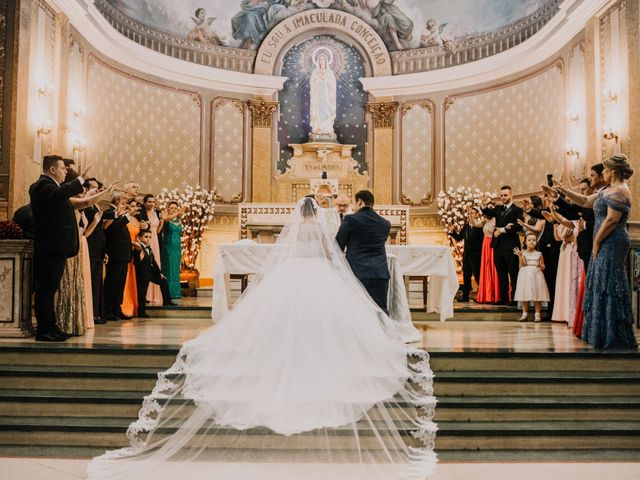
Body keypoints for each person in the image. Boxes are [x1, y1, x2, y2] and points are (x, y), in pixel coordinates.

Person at [87, 197, 436, 479]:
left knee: (281, 320)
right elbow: (334, 255)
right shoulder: (325, 230)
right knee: (326, 320)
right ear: (319, 213)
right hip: (319, 277)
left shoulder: (297, 232)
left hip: (292, 276)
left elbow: (288, 254)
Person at [553, 154, 637, 350]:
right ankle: (602, 333)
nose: (603, 173)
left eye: (605, 170)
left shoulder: (621, 191)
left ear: (613, 171)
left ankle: (614, 335)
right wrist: (562, 190)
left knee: (609, 282)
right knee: (600, 282)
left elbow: (612, 220)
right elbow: (584, 200)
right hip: (602, 240)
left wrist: (597, 241)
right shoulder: (607, 190)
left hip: (612, 240)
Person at [29, 156, 107, 341]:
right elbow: (59, 195)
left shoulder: (53, 188)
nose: (65, 172)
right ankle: (44, 330)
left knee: (51, 288)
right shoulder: (42, 186)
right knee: (46, 289)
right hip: (50, 246)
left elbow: (65, 198)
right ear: (52, 170)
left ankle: (52, 326)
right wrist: (80, 180)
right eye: (63, 169)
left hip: (57, 246)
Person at [336, 190, 391, 314]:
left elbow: (338, 245)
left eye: (355, 203)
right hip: (380, 273)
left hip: (357, 272)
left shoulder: (350, 220)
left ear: (360, 201)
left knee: (357, 312)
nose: (354, 207)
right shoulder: (385, 223)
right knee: (380, 310)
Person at [480, 186, 523, 305]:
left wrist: (502, 230)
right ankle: (504, 299)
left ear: (511, 195)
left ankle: (515, 299)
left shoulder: (517, 210)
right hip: (498, 246)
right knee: (501, 273)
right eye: (502, 195)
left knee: (513, 273)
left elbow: (518, 226)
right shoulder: (498, 208)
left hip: (511, 246)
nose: (503, 197)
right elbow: (486, 211)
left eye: (505, 195)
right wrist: (483, 205)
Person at [103, 192, 133, 322]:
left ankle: (117, 308)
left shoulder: (119, 213)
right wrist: (125, 217)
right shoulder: (109, 212)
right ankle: (108, 310)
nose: (126, 203)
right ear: (117, 201)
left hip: (123, 255)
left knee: (120, 284)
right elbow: (110, 230)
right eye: (124, 201)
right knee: (112, 283)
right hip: (114, 254)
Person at [133, 229, 174, 318]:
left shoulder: (149, 248)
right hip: (142, 275)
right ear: (140, 238)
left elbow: (154, 262)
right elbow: (136, 263)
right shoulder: (138, 248)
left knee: (163, 280)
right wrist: (139, 257)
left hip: (150, 273)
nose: (148, 239)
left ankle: (167, 301)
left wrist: (159, 273)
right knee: (142, 294)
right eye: (146, 237)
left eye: (150, 237)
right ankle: (141, 312)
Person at [513, 233, 549, 322]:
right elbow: (523, 264)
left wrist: (540, 266)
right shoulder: (523, 253)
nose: (531, 242)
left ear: (536, 242)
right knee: (524, 294)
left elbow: (543, 266)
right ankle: (524, 314)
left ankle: (537, 314)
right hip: (525, 275)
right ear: (525, 242)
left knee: (538, 295)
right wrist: (520, 256)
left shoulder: (539, 254)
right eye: (529, 240)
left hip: (537, 274)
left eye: (534, 240)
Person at [450, 207, 484, 302]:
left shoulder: (480, 227)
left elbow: (482, 242)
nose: (470, 215)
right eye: (469, 213)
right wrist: (453, 232)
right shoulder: (466, 226)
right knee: (466, 276)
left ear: (477, 214)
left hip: (476, 256)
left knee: (478, 276)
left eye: (472, 213)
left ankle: (483, 295)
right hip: (466, 256)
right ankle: (465, 297)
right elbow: (459, 238)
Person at [137, 194, 164, 306]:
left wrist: (162, 220)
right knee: (147, 265)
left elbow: (157, 231)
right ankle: (146, 295)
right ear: (144, 203)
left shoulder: (156, 212)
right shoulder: (142, 213)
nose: (151, 203)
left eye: (153, 201)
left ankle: (155, 295)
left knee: (155, 263)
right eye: (149, 201)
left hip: (155, 240)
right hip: (146, 239)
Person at [120, 198, 145, 318]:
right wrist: (131, 243)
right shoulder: (125, 219)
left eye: (136, 206)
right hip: (125, 249)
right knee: (124, 279)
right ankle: (124, 306)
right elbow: (121, 236)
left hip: (135, 251)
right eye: (132, 206)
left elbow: (139, 235)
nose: (134, 208)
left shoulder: (136, 220)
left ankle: (134, 305)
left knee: (132, 277)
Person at [160, 201, 184, 300]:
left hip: (177, 247)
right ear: (168, 209)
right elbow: (165, 219)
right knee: (169, 269)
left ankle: (175, 293)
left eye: (175, 208)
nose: (174, 209)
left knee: (175, 270)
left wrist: (178, 215)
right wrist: (178, 213)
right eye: (172, 208)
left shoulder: (179, 220)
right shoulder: (166, 218)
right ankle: (167, 293)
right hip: (168, 246)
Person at [476, 215, 500, 303]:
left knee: (493, 265)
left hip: (492, 242)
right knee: (485, 266)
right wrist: (470, 214)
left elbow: (497, 231)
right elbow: (475, 224)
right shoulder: (484, 220)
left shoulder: (495, 219)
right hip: (485, 243)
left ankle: (495, 294)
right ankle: (486, 295)